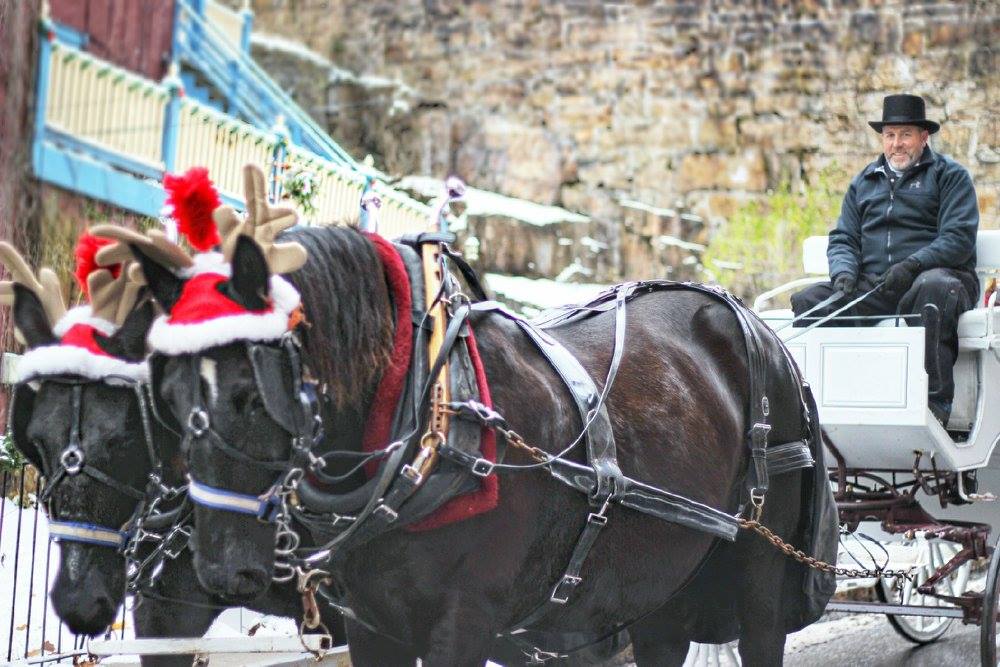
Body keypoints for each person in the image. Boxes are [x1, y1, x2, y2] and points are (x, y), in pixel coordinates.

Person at [790, 93, 980, 425]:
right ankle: (816, 409)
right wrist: (844, 275)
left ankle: (934, 408)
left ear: (924, 137)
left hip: (934, 278)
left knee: (934, 289)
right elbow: (844, 238)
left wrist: (913, 265)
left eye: (905, 134)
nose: (897, 144)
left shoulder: (950, 176)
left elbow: (958, 238)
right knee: (811, 302)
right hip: (876, 286)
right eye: (890, 135)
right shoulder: (864, 182)